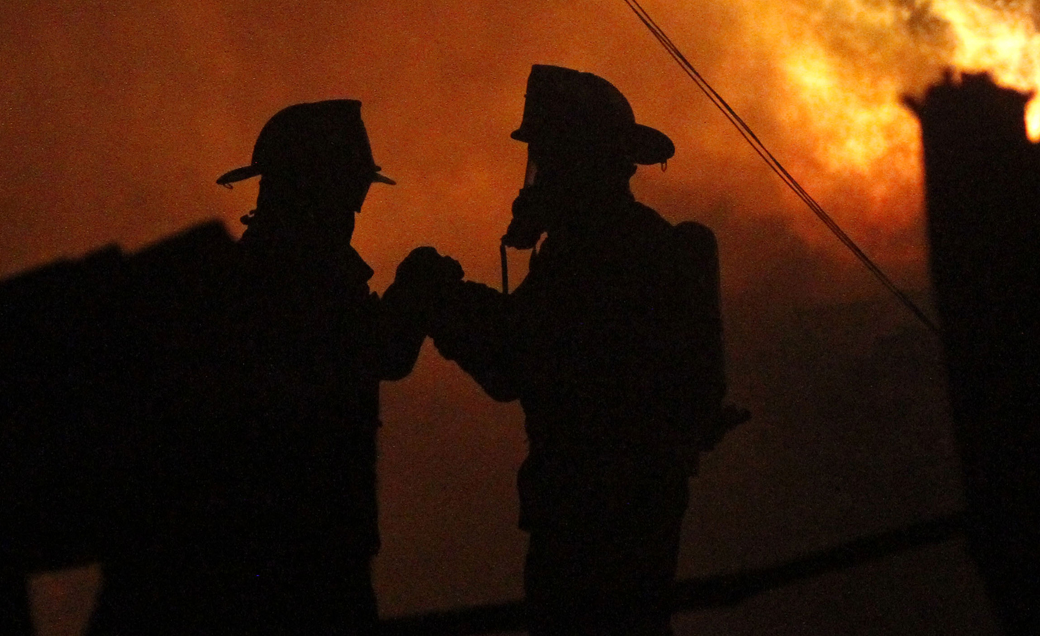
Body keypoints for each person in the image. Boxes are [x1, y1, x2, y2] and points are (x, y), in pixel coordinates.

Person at [90, 99, 459, 635]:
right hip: (292, 556)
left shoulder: (262, 271)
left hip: (285, 549)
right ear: (316, 189)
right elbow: (374, 352)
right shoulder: (287, 277)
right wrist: (417, 290)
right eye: (348, 192)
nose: (354, 210)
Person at [408, 65, 740, 635]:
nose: (537, 177)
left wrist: (442, 298)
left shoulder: (596, 253)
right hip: (636, 508)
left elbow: (514, 360)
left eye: (549, 158)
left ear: (579, 162)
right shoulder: (628, 243)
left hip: (590, 514)